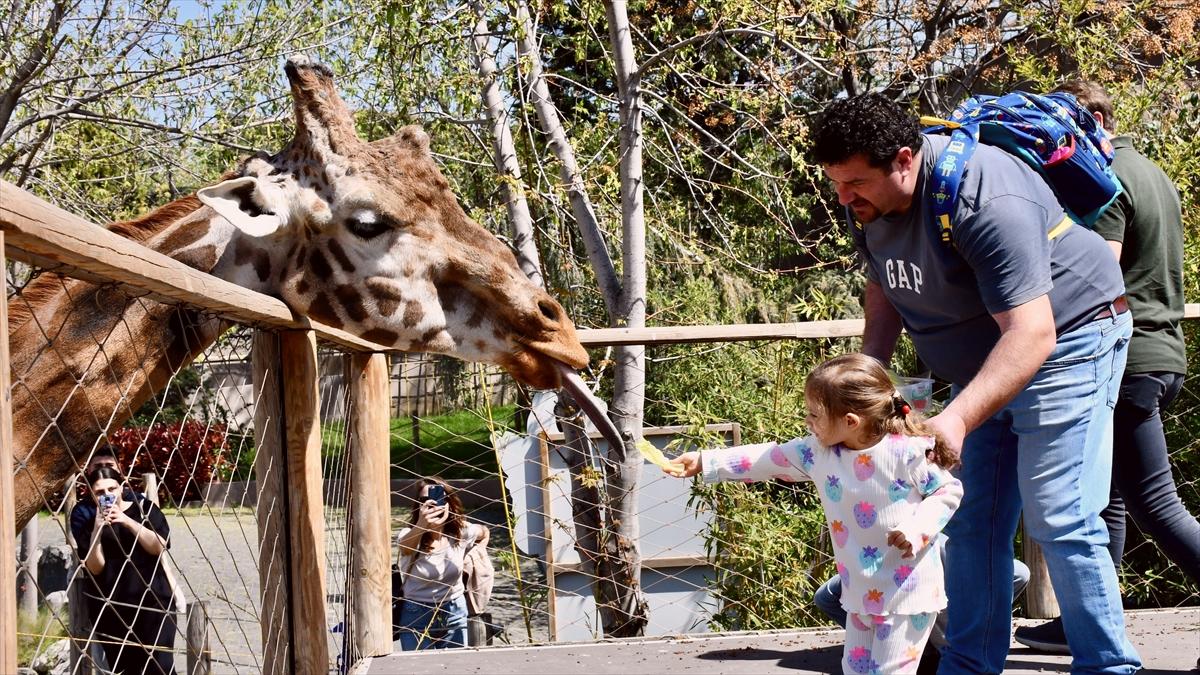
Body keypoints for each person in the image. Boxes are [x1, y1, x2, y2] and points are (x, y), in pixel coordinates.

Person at [810, 93, 1138, 674]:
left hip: (1069, 340)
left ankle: (1109, 667)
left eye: (855, 182)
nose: (843, 197)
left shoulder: (985, 196)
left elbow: (1033, 334)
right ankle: (969, 665)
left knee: (1059, 515)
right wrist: (867, 376)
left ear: (905, 160)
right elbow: (884, 284)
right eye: (836, 182)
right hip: (980, 363)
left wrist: (957, 417)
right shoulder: (869, 203)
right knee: (970, 520)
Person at [1012, 80, 1200, 654]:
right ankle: (1084, 622)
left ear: (1094, 117)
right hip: (1160, 351)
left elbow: (1099, 271)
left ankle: (1086, 625)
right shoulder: (1151, 169)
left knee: (1156, 503)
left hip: (1128, 356)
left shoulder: (1109, 178)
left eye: (1064, 122)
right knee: (1107, 496)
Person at [667, 353, 963, 674]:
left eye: (814, 415)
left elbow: (948, 491)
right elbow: (766, 458)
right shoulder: (818, 452)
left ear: (850, 421)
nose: (808, 422)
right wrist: (705, 461)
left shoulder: (907, 452)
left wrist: (919, 527)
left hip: (908, 593)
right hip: (859, 593)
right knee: (855, 669)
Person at [75, 467, 176, 674]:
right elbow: (95, 567)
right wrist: (97, 529)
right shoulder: (87, 519)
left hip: (152, 602)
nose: (107, 495)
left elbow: (159, 546)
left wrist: (126, 520)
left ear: (121, 488)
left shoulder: (144, 508)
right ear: (92, 495)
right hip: (112, 607)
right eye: (100, 492)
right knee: (124, 669)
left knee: (160, 667)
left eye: (112, 488)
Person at [394, 478, 490, 651]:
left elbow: (484, 532)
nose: (433, 505)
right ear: (419, 506)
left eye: (439, 499)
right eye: (425, 501)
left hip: (454, 609)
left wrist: (475, 555)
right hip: (416, 614)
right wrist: (422, 524)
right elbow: (405, 548)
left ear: (449, 504)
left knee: (455, 665)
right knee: (418, 668)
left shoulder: (461, 533)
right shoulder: (409, 535)